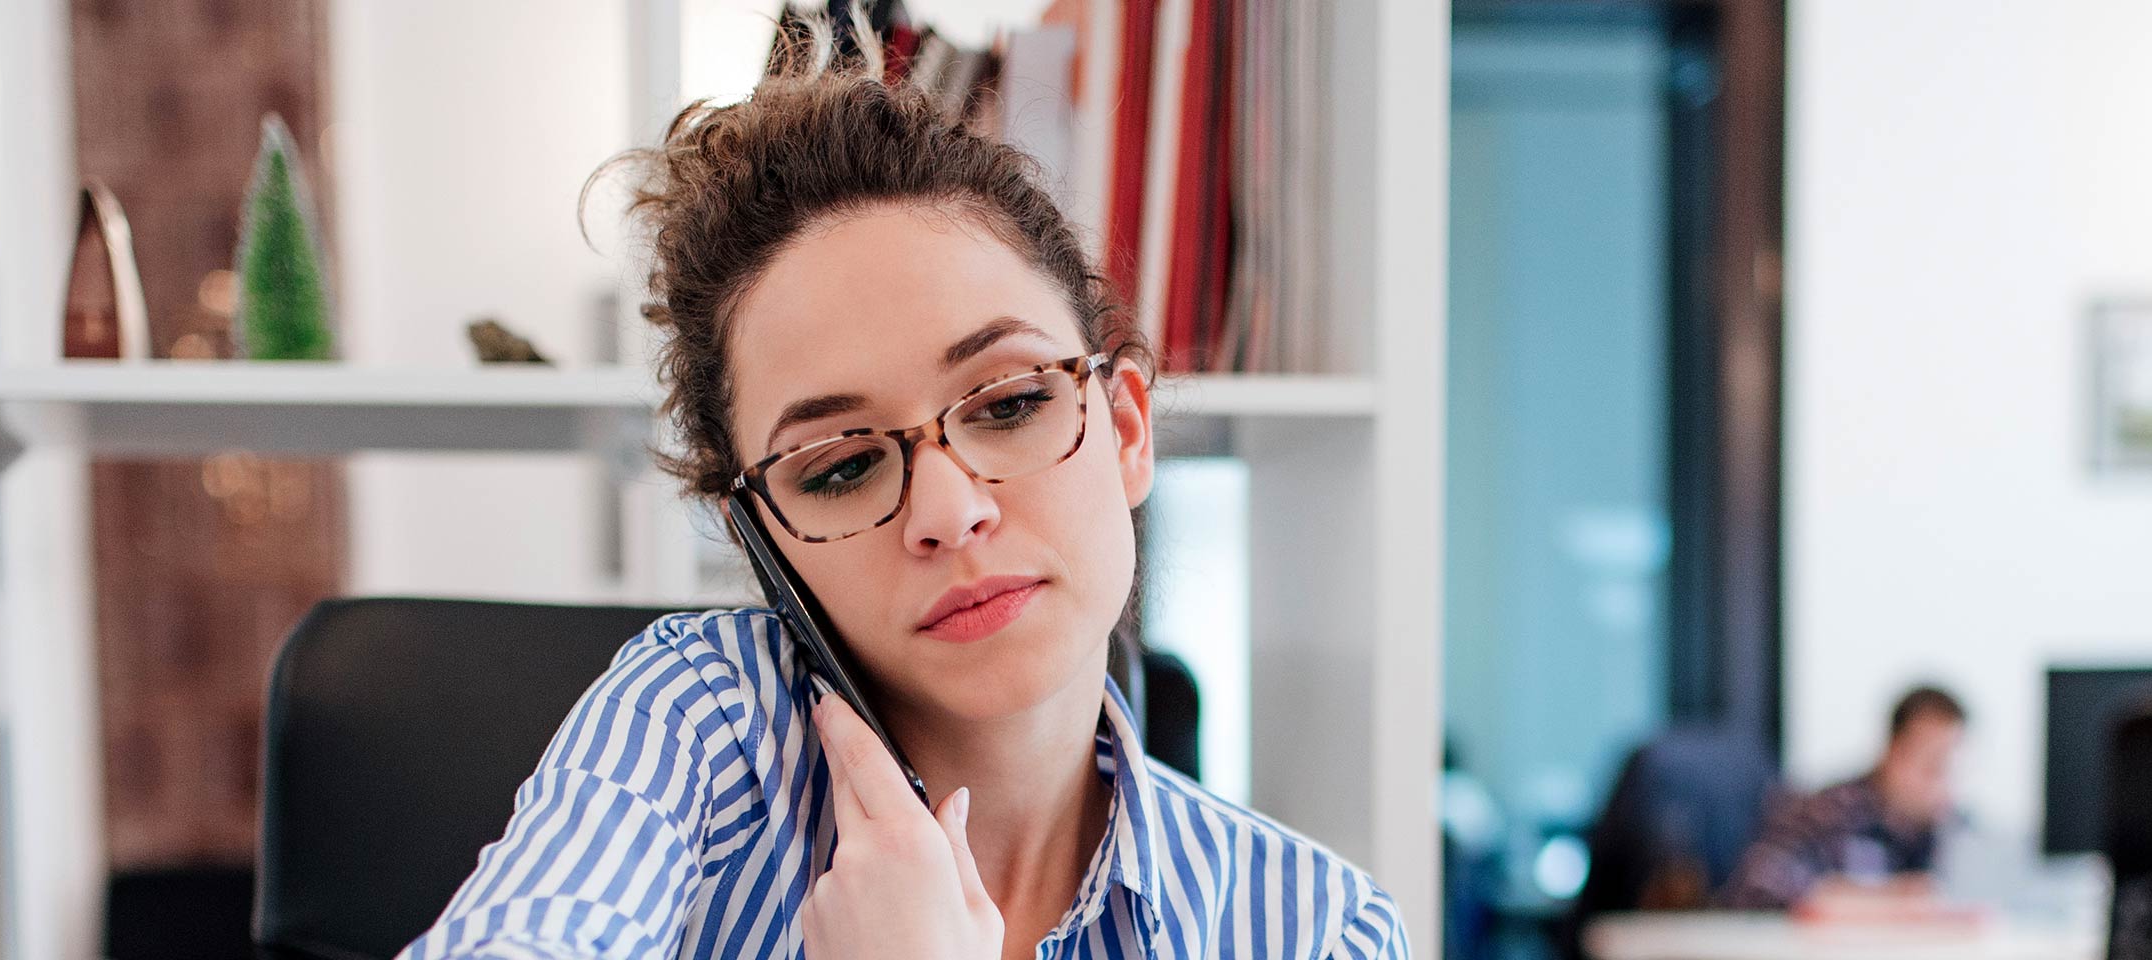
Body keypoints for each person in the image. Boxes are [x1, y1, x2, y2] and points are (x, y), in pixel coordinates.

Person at [392, 56, 1408, 960]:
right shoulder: (699, 725)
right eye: (838, 467)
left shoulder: (1320, 930)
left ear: (1127, 428)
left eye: (1009, 404)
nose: (950, 511)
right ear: (768, 543)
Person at [1720, 687, 1969, 911]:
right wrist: (1883, 899)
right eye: (1933, 767)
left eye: (1955, 771)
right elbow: (1754, 883)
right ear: (1893, 752)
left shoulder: (1951, 829)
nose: (1945, 787)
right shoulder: (1831, 811)